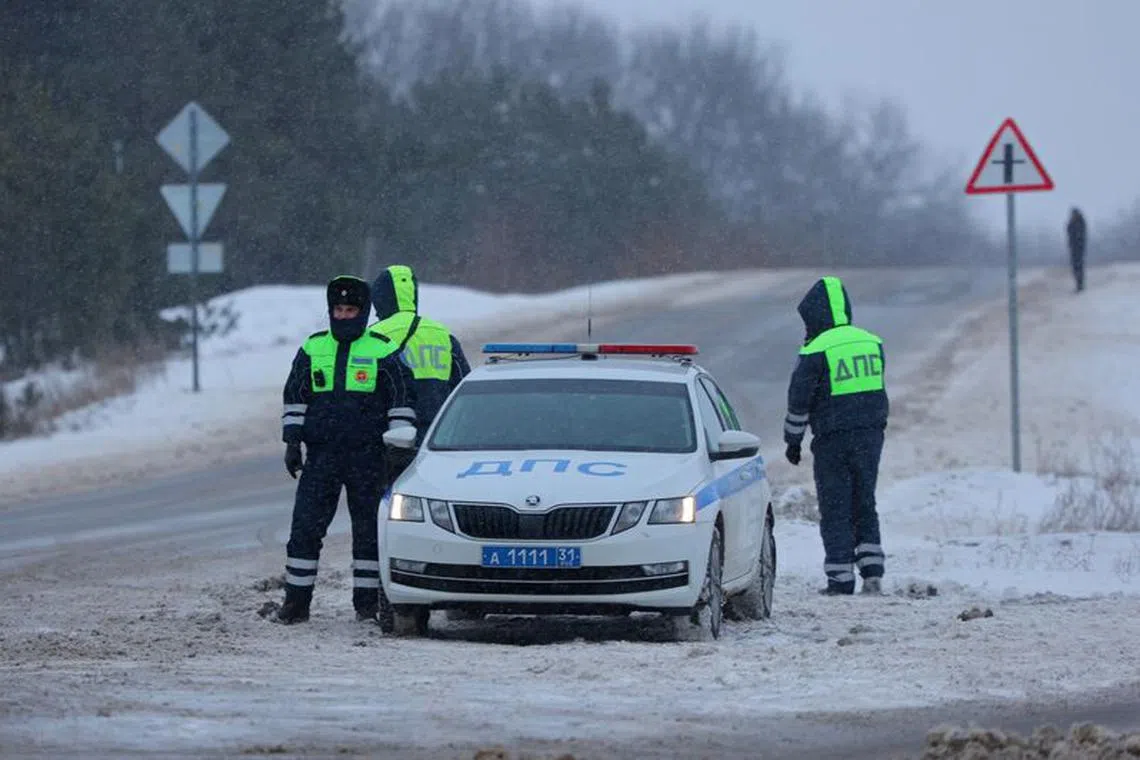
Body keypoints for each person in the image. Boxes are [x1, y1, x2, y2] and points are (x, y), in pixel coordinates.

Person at [276, 275, 417, 624]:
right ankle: (296, 604)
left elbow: (401, 400)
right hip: (321, 457)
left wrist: (398, 449)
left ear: (363, 311)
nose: (343, 315)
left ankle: (366, 606)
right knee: (305, 529)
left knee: (368, 533)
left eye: (350, 309)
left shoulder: (383, 350)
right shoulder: (312, 348)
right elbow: (295, 396)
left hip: (368, 458)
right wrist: (292, 441)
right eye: (337, 309)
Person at [782, 276, 889, 596]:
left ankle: (840, 578)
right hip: (871, 436)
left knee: (835, 505)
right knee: (864, 500)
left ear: (816, 315)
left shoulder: (816, 349)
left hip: (832, 439)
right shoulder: (872, 341)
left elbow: (799, 401)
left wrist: (793, 440)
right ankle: (872, 571)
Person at [370, 264, 471, 476]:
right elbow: (463, 387)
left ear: (380, 298)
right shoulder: (441, 334)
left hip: (390, 438)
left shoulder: (373, 336)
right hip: (437, 437)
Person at [1066, 207, 1087, 293]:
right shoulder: (1075, 222)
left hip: (1078, 247)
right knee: (1076, 266)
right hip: (1074, 247)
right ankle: (1079, 283)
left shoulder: (1079, 222)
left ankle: (1080, 284)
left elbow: (1078, 235)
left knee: (1078, 265)